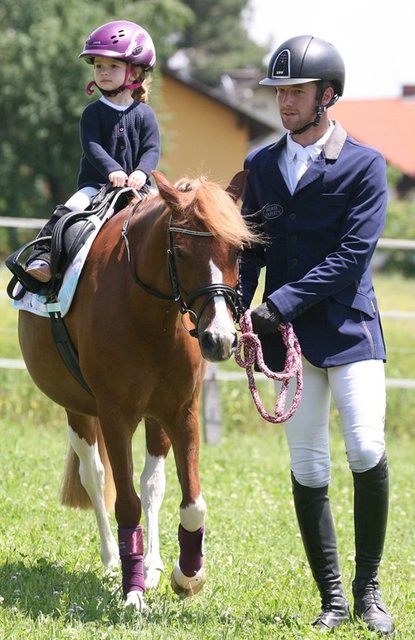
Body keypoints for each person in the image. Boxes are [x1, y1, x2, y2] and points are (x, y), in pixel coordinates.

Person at [240, 35, 394, 635]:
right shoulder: (260, 166)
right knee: (308, 466)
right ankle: (331, 599)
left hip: (350, 330)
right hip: (286, 342)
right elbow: (251, 253)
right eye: (279, 92)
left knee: (364, 448)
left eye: (296, 92)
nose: (284, 103)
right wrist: (235, 305)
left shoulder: (364, 164)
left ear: (327, 95)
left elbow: (352, 258)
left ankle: (369, 591)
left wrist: (275, 305)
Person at [26, 20, 160, 283]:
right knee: (69, 209)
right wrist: (113, 171)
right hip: (96, 186)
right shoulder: (92, 113)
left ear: (134, 73)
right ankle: (41, 256)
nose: (104, 72)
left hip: (138, 187)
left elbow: (152, 148)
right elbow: (92, 147)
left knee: (169, 214)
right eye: (99, 66)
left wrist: (143, 172)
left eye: (112, 66)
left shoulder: (145, 114)